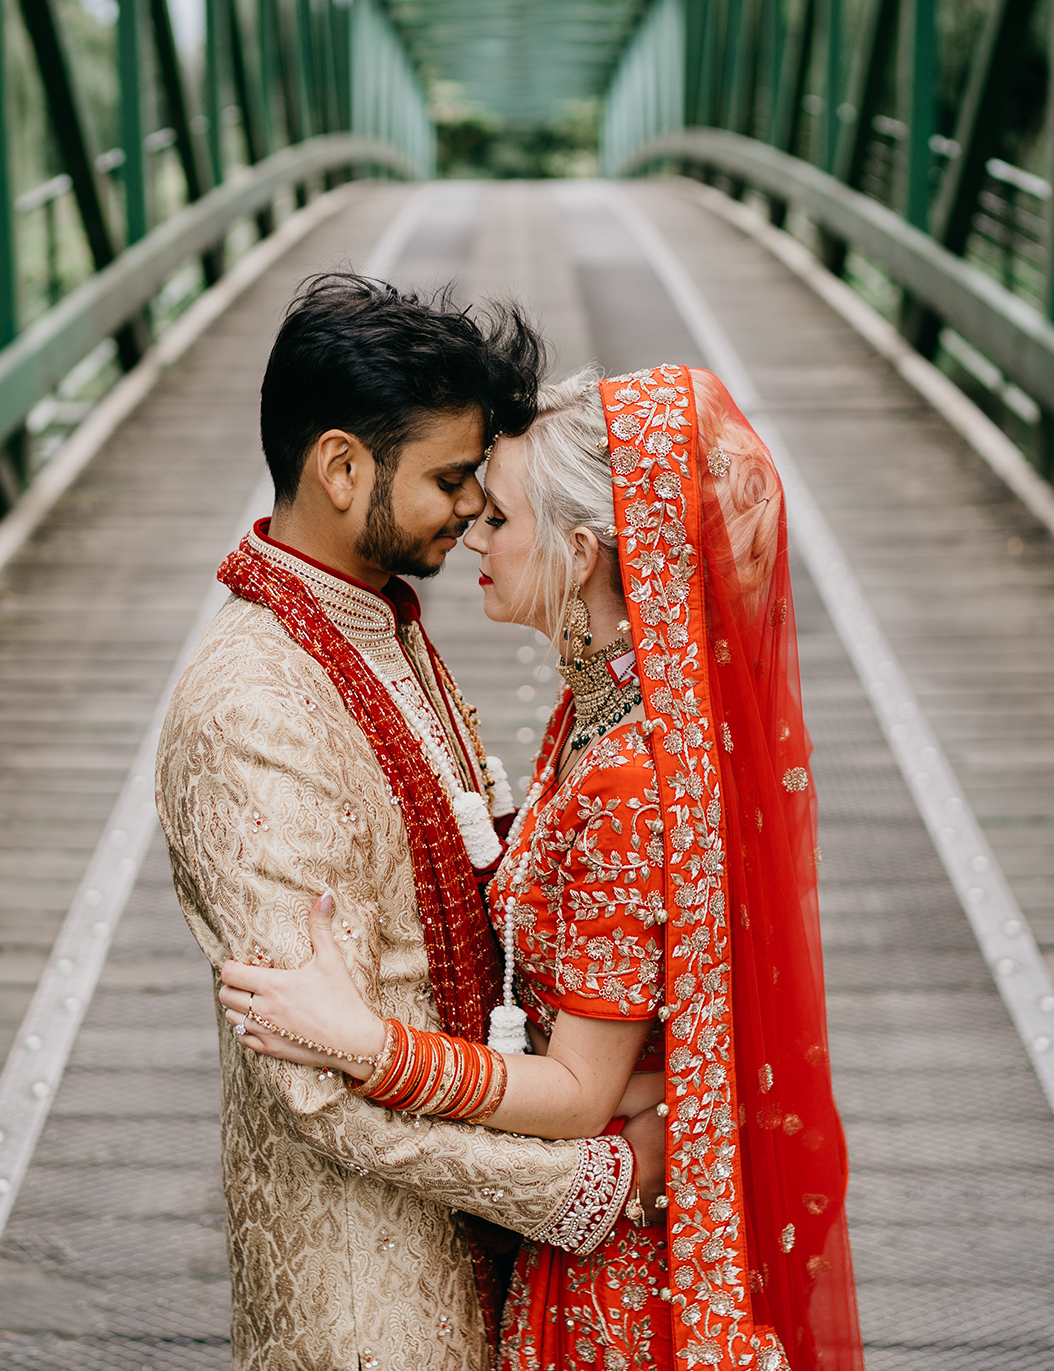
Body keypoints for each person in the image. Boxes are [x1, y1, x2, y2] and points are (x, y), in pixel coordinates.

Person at [217, 364, 865, 1371]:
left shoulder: (622, 780)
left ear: (578, 552)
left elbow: (571, 1092)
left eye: (499, 519)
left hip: (612, 1281)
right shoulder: (594, 713)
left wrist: (363, 1041)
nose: (472, 536)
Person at [155, 276, 668, 1371]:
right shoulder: (252, 709)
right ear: (342, 468)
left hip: (475, 1232)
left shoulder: (379, 621)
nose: (479, 511)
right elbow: (312, 1080)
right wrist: (603, 1176)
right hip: (368, 1288)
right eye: (449, 480)